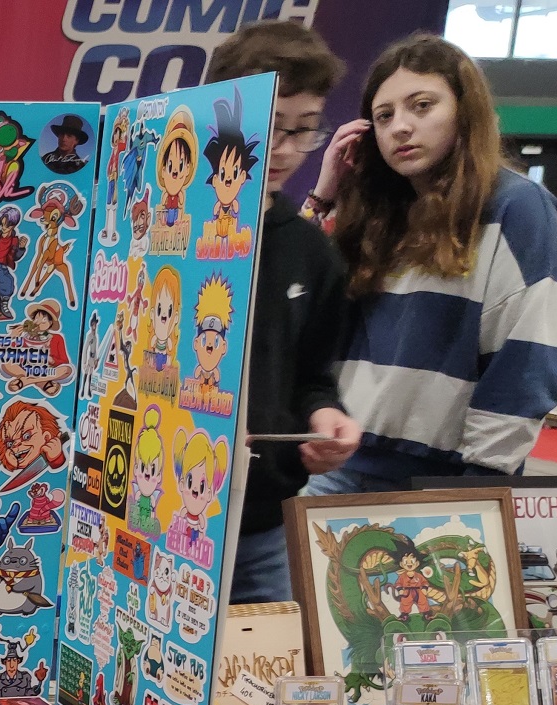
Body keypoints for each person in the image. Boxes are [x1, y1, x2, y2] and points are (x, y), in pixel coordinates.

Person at [304, 33, 557, 494]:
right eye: (384, 116)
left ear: (464, 111)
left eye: (422, 106)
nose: (400, 127)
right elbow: (294, 309)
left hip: (446, 479)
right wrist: (324, 195)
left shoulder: (518, 207)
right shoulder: (376, 212)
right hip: (343, 464)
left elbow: (525, 356)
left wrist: (481, 483)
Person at [205, 20, 363, 604]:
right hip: (157, 519)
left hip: (263, 528)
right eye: (270, 128)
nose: (286, 150)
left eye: (303, 130)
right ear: (221, 118)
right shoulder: (155, 231)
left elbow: (314, 376)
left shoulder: (311, 251)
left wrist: (326, 416)